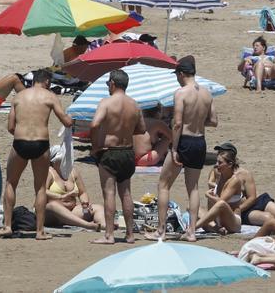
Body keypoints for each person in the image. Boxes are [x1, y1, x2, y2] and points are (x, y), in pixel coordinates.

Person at [0, 69, 74, 240]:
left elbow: (10, 127)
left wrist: (22, 134)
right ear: (47, 82)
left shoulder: (19, 97)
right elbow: (65, 121)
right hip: (40, 143)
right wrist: (72, 119)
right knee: (40, 187)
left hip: (20, 142)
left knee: (10, 183)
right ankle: (40, 231)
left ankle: (7, 226)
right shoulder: (50, 96)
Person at [154, 56, 216, 242]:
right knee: (194, 188)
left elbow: (178, 123)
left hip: (185, 141)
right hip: (200, 141)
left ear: (181, 74)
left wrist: (174, 148)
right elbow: (213, 121)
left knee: (164, 184)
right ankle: (191, 232)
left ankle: (161, 230)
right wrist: (196, 120)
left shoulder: (181, 93)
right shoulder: (207, 93)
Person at [89, 68, 146, 244]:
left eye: (108, 84)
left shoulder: (106, 103)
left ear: (113, 83)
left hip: (110, 152)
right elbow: (142, 129)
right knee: (126, 193)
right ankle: (129, 234)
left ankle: (109, 235)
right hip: (127, 152)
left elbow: (94, 124)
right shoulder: (134, 104)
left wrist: (96, 146)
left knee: (109, 193)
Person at [189, 143, 275, 233]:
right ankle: (215, 227)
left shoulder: (243, 174)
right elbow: (212, 184)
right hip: (229, 211)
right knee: (192, 208)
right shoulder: (218, 171)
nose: (218, 158)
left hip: (247, 206)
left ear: (230, 158)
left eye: (221, 152)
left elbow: (252, 198)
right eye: (218, 153)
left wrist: (238, 209)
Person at [45, 145, 104, 231]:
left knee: (98, 208)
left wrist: (85, 203)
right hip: (52, 214)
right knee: (53, 206)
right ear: (53, 161)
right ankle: (87, 225)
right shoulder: (49, 173)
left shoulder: (73, 172)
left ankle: (103, 225)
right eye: (62, 159)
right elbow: (42, 191)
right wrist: (61, 197)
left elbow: (82, 192)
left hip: (71, 210)